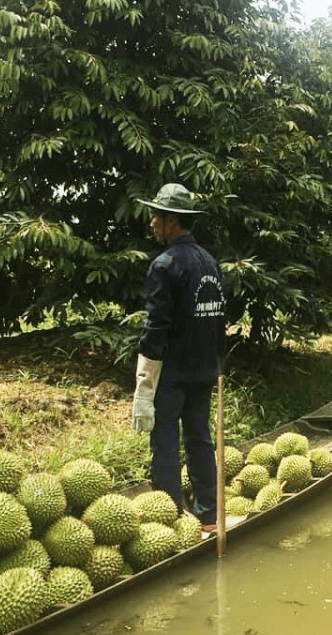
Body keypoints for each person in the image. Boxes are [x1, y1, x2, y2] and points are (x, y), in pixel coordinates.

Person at [131, 183, 225, 531]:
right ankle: (208, 514)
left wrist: (145, 385)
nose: (152, 224)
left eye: (156, 217)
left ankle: (169, 519)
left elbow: (157, 326)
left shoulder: (165, 264)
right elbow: (218, 320)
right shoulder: (210, 263)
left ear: (171, 222)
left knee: (165, 442)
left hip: (173, 372)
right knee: (199, 438)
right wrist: (217, 364)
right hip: (204, 369)